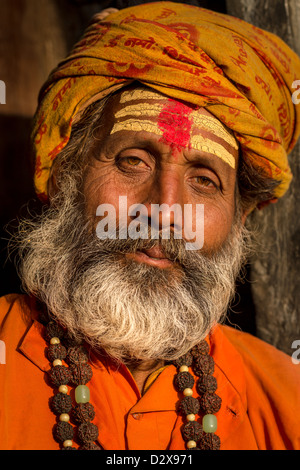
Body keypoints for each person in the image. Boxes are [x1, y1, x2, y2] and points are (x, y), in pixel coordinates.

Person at [0, 2, 300, 451]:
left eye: (204, 181)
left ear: (239, 218)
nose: (164, 210)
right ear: (66, 176)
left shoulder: (286, 400)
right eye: (133, 161)